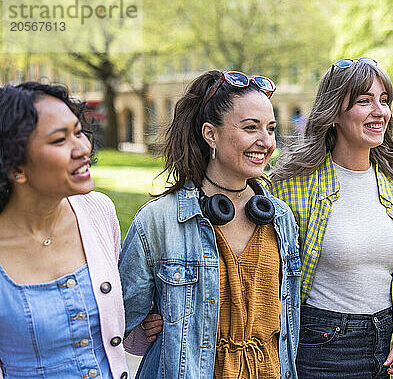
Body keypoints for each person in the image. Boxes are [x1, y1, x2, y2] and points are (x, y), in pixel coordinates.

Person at [118, 70, 301, 379]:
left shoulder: (281, 218)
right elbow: (117, 322)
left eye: (270, 129)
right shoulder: (158, 221)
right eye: (250, 128)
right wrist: (144, 329)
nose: (265, 141)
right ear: (210, 134)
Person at [270, 58, 393, 378]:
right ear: (334, 112)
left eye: (384, 100)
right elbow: (265, 276)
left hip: (390, 345)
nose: (379, 111)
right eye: (364, 101)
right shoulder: (290, 186)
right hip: (324, 346)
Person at [0, 82, 140, 379]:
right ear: (14, 167)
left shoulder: (98, 211)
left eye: (78, 131)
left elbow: (119, 325)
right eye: (60, 140)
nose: (84, 148)